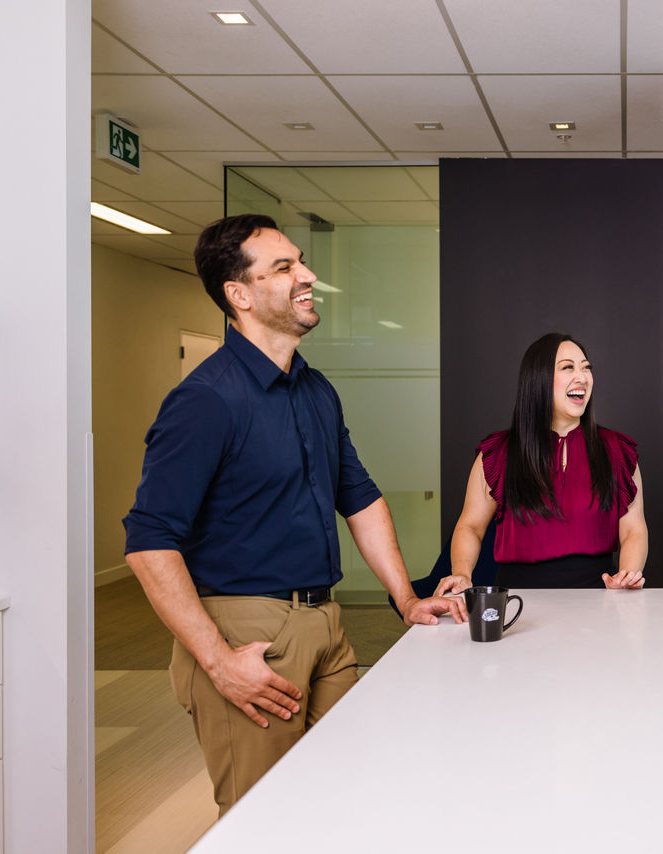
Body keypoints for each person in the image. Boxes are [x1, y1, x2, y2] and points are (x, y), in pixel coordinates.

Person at [123, 214, 466, 814]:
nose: (307, 274)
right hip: (243, 631)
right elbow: (149, 542)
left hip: (325, 626)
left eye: (300, 261)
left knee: (345, 802)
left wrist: (405, 599)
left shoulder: (316, 389)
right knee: (266, 821)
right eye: (284, 267)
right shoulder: (205, 401)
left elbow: (357, 496)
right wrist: (217, 661)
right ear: (240, 294)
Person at [436, 333, 648, 591]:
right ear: (539, 379)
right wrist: (461, 573)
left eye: (586, 368)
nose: (582, 377)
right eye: (568, 367)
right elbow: (470, 527)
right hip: (518, 600)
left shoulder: (618, 450)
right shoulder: (498, 452)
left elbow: (633, 531)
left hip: (597, 600)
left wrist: (626, 578)